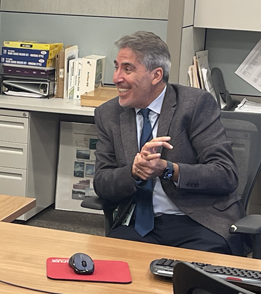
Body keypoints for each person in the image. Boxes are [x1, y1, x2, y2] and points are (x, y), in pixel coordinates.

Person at [93, 31, 245, 255]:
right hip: (138, 225)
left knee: (192, 279)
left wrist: (168, 170)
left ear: (156, 75)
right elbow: (102, 183)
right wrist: (134, 172)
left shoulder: (195, 105)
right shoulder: (108, 114)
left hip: (197, 221)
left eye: (128, 69)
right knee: (113, 272)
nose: (116, 78)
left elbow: (225, 174)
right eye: (116, 67)